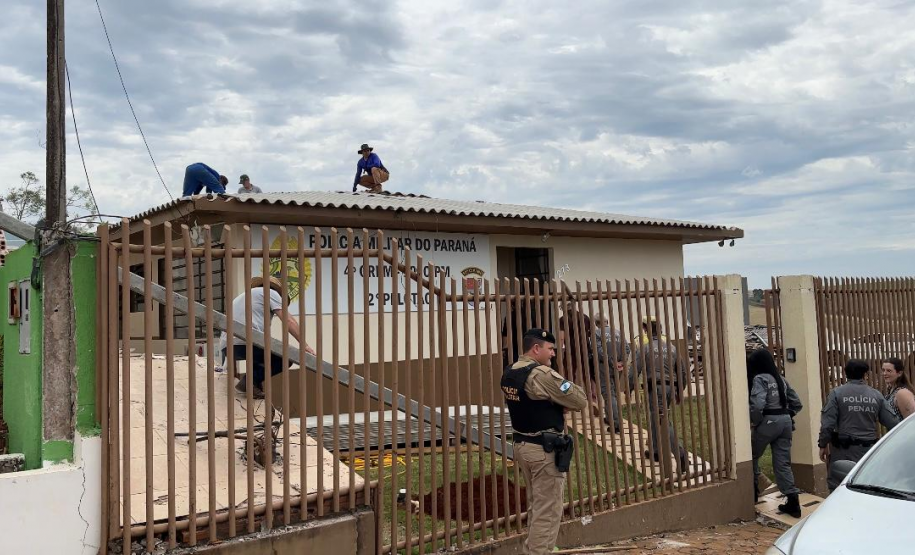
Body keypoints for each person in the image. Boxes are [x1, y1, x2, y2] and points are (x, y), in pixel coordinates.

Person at [501, 328, 587, 555]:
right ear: (536, 348)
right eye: (550, 349)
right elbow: (579, 399)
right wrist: (559, 401)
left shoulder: (510, 371)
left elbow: (531, 402)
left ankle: (542, 549)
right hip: (543, 450)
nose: (553, 355)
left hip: (523, 446)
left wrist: (553, 402)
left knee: (537, 506)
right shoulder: (541, 374)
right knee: (548, 511)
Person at [818, 359, 899, 490]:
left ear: (846, 374)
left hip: (842, 452)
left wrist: (822, 444)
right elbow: (893, 423)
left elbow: (827, 424)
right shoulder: (876, 395)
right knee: (866, 487)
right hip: (868, 453)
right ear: (865, 375)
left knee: (839, 487)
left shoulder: (836, 393)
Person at [232, 276, 315, 398]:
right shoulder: (270, 293)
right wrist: (305, 345)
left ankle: (253, 385)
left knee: (263, 355)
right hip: (245, 343)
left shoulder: (245, 297)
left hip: (229, 347)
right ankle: (249, 382)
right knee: (285, 357)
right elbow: (289, 320)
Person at [747, 348, 803, 517]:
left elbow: (757, 405)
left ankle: (753, 493)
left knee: (751, 456)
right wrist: (787, 414)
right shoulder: (781, 379)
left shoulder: (760, 379)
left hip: (769, 421)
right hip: (785, 422)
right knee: (782, 463)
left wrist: (756, 422)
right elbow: (797, 403)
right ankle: (793, 501)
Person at [629, 316, 688, 469]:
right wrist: (680, 390)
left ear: (645, 330)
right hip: (669, 388)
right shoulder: (672, 347)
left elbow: (634, 371)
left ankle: (680, 452)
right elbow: (682, 371)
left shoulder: (645, 348)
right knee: (656, 418)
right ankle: (655, 451)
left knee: (661, 421)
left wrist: (628, 388)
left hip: (655, 389)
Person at [593, 319, 630, 433]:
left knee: (609, 393)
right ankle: (609, 418)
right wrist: (622, 362)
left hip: (604, 367)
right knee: (612, 391)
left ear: (596, 323)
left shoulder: (597, 333)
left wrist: (611, 362)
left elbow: (599, 351)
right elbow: (627, 349)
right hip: (618, 367)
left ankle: (616, 424)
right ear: (607, 321)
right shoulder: (618, 332)